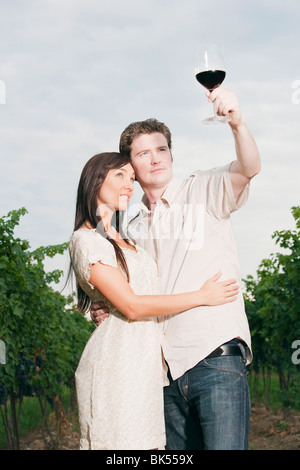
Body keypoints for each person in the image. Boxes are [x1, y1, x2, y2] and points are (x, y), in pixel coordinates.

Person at [90, 88, 261, 450]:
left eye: (161, 149)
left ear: (171, 154)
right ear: (131, 167)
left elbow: (249, 168)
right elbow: (133, 295)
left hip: (214, 360)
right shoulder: (132, 230)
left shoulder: (203, 191)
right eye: (143, 153)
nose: (155, 159)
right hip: (162, 376)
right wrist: (109, 307)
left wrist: (237, 124)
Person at [68, 151, 240, 450]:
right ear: (94, 180)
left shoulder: (127, 239)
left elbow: (142, 290)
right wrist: (201, 296)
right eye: (119, 175)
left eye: (132, 178)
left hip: (146, 368)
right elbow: (133, 306)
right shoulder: (86, 240)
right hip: (118, 364)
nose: (129, 185)